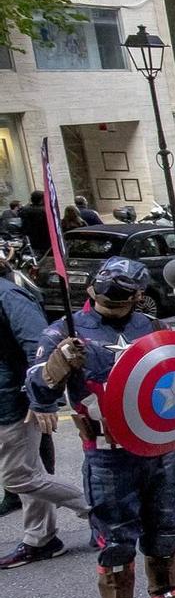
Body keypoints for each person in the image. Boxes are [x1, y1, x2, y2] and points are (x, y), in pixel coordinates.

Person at [26, 258, 175, 598]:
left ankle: (166, 592)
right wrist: (57, 366)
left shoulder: (150, 327)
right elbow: (37, 393)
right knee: (115, 537)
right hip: (107, 453)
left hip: (160, 446)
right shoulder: (63, 334)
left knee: (165, 527)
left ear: (139, 296)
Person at [0, 242, 88, 568]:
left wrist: (40, 399)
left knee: (19, 477)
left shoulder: (8, 296)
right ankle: (41, 539)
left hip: (13, 401)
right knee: (29, 473)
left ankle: (99, 509)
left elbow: (38, 349)